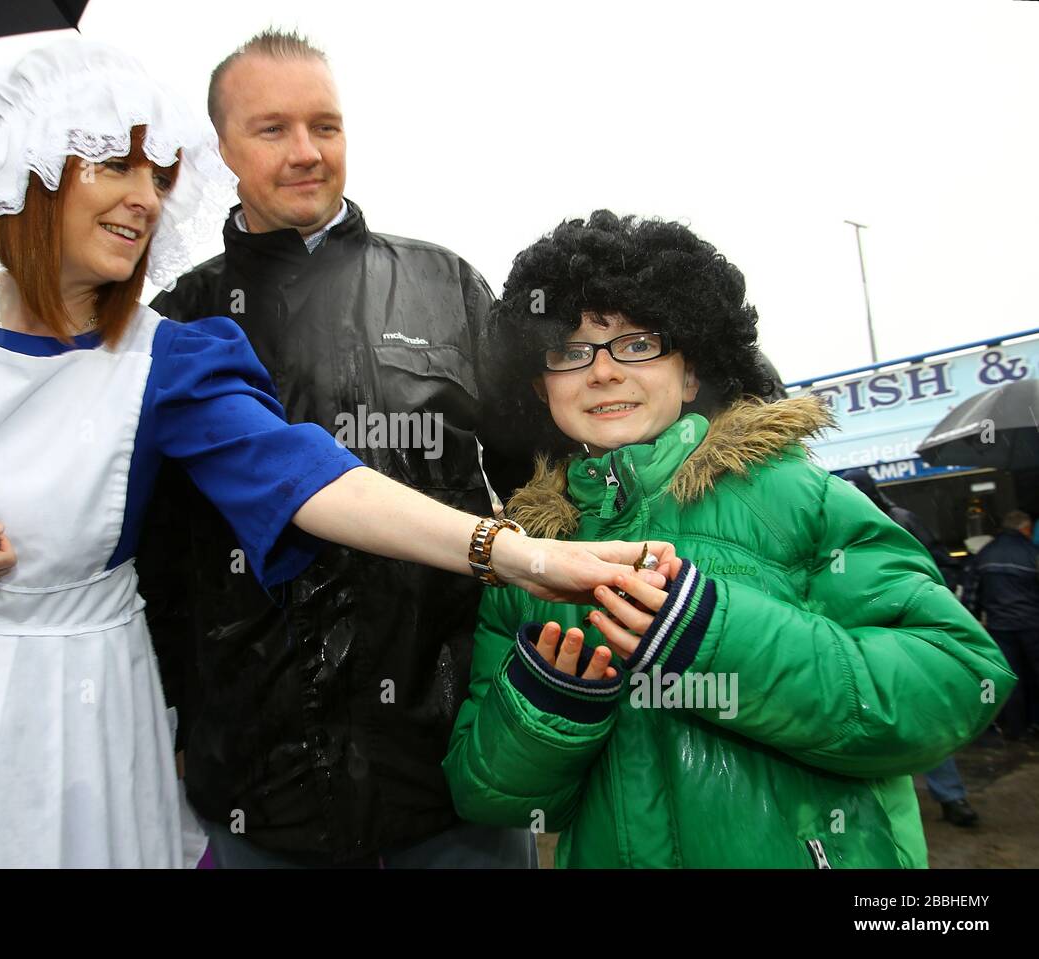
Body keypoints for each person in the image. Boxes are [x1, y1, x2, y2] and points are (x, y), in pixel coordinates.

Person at [0, 43, 672, 869]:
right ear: (26, 170)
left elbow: (310, 476)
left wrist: (530, 556)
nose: (142, 195)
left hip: (172, 730)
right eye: (113, 164)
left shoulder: (180, 354)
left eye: (156, 172)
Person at [442, 210, 1015, 868]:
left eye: (637, 342)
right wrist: (545, 711)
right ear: (541, 388)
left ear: (692, 372)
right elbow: (490, 798)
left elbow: (959, 677)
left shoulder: (796, 498)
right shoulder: (531, 559)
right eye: (570, 352)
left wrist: (716, 640)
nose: (601, 371)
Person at [136, 29, 523, 867]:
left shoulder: (447, 284)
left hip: (455, 771)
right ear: (220, 150)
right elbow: (157, 561)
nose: (307, 152)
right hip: (260, 784)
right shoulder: (177, 319)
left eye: (327, 125)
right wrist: (180, 717)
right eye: (272, 129)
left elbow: (543, 490)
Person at [841, 468, 981, 827]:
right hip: (861, 629)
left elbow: (936, 564)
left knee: (918, 707)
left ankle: (950, 796)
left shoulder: (900, 520)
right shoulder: (839, 519)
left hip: (905, 628)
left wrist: (931, 600)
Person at [965, 510, 1039, 740]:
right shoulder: (1031, 553)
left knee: (1010, 678)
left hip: (999, 627)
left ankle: (1016, 729)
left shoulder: (986, 554)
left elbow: (971, 593)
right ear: (1024, 529)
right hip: (1032, 625)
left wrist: (974, 619)